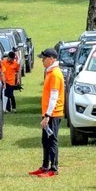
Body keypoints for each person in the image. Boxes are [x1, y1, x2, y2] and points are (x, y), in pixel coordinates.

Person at [34, 48, 64, 177]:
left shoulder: (55, 74)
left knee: (51, 140)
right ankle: (45, 165)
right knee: (45, 140)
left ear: (51, 59)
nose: (42, 61)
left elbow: (54, 96)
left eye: (44, 58)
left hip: (53, 113)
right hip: (48, 113)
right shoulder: (50, 72)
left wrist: (47, 115)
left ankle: (53, 168)